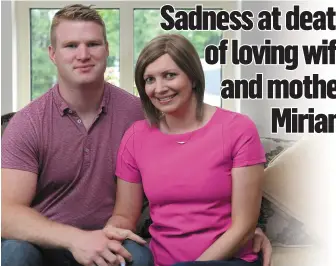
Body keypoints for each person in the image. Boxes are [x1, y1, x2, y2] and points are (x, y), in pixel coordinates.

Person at [1, 4, 272, 266]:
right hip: (50, 243)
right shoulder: (28, 123)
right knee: (14, 252)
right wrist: (76, 239)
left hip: (112, 238)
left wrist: (247, 231)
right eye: (70, 45)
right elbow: (6, 214)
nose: (83, 54)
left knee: (139, 258)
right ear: (52, 53)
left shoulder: (142, 115)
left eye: (93, 44)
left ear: (107, 49)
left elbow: (204, 154)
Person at [109, 33, 267, 266]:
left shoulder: (238, 129)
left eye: (169, 75)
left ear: (193, 77)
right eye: (149, 79)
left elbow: (244, 227)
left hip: (229, 260)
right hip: (159, 260)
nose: (159, 88)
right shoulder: (136, 136)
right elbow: (124, 216)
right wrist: (107, 237)